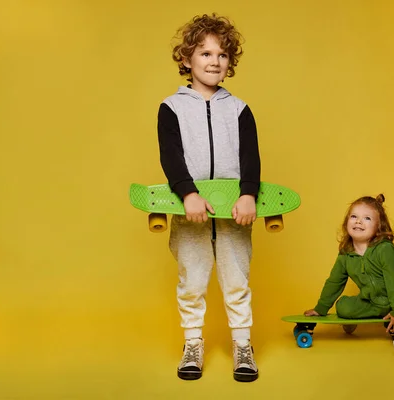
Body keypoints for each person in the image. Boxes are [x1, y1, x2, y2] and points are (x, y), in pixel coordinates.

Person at [157, 13, 261, 382]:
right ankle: (193, 344)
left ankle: (243, 346)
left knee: (237, 280)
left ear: (229, 62)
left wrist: (249, 195)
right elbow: (170, 155)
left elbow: (251, 156)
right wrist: (188, 193)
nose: (214, 61)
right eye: (204, 53)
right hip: (190, 210)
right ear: (186, 59)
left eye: (221, 55)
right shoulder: (172, 108)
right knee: (192, 279)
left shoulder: (239, 109)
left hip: (235, 212)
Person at [304, 194, 394, 357]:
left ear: (379, 226)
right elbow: (334, 282)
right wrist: (321, 308)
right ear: (346, 222)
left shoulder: (384, 249)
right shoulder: (345, 255)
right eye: (354, 216)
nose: (358, 221)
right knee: (343, 306)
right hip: (373, 303)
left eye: (367, 218)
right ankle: (357, 318)